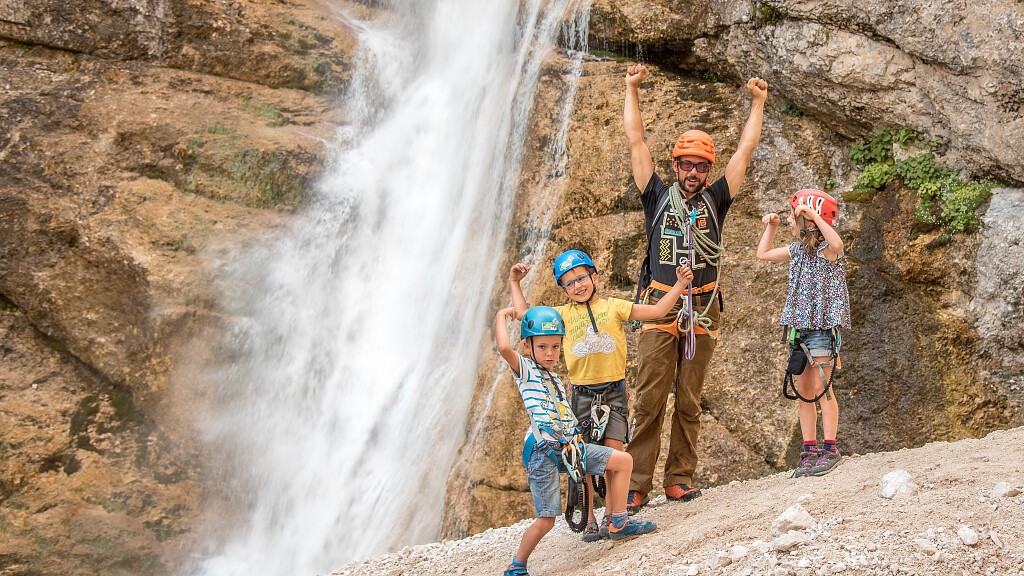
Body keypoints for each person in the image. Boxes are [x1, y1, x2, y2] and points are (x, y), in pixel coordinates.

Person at [622, 63, 768, 512]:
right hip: (659, 307)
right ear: (675, 165)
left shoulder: (716, 200)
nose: (693, 172)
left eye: (701, 166)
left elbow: (745, 150)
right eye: (686, 164)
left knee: (689, 397)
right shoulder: (655, 196)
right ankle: (636, 482)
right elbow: (636, 141)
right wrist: (631, 90)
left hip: (703, 308)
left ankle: (679, 477)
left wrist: (758, 102)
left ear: (707, 171)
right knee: (648, 398)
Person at [509, 251, 693, 541]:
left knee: (614, 454)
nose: (577, 286)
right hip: (581, 395)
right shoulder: (564, 315)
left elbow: (656, 312)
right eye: (569, 283)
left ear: (595, 276)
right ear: (564, 289)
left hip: (614, 393)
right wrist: (515, 283)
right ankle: (590, 519)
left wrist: (680, 285)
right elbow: (525, 316)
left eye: (582, 278)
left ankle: (614, 516)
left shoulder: (614, 307)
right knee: (581, 460)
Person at [495, 305, 656, 576]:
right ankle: (516, 566)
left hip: (570, 447)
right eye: (543, 347)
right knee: (546, 520)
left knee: (622, 460)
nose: (550, 353)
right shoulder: (525, 371)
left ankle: (618, 521)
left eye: (556, 347)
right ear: (527, 347)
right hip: (542, 451)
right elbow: (503, 348)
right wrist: (502, 317)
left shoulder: (557, 380)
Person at [756, 189, 850, 477]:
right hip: (799, 329)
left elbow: (837, 241)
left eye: (792, 217)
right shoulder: (796, 251)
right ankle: (809, 449)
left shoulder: (827, 251)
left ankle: (830, 447)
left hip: (822, 327)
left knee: (823, 387)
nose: (788, 220)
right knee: (803, 391)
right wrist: (770, 227)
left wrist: (813, 217)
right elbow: (763, 254)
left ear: (810, 220)